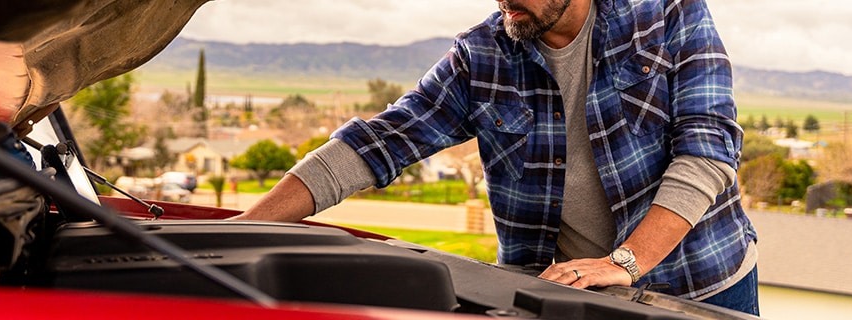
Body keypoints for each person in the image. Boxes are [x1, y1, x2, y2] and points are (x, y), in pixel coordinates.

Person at [233, 0, 758, 315]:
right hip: (571, 296)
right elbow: (377, 142)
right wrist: (238, 232)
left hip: (703, 287)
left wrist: (625, 261)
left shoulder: (667, 12)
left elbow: (707, 149)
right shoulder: (481, 55)